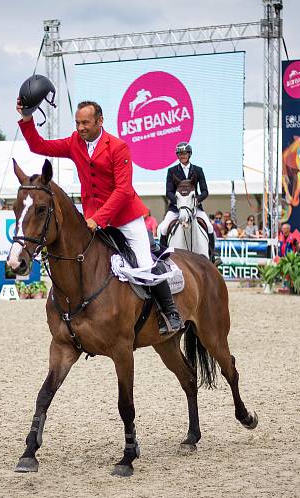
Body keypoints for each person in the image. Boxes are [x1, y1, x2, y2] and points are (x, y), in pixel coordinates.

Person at [17, 97, 182, 334]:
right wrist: (27, 118)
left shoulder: (118, 147)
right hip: (92, 217)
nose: (81, 128)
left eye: (86, 122)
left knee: (145, 264)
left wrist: (99, 218)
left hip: (125, 217)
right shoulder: (74, 142)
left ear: (100, 121)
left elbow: (123, 190)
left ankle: (170, 312)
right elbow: (39, 146)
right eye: (77, 123)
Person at [157, 142, 219, 264]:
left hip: (195, 207)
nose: (182, 155)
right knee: (163, 228)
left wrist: (196, 200)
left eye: (185, 153)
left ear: (189, 154)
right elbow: (169, 192)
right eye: (180, 153)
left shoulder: (198, 170)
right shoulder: (172, 171)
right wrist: (180, 203)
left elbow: (205, 191)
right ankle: (161, 258)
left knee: (210, 227)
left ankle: (213, 256)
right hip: (176, 208)